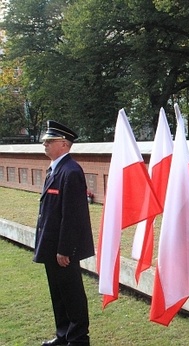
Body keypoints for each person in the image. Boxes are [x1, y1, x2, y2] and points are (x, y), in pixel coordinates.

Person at [34, 121, 95, 346]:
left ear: (63, 144)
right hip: (51, 245)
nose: (44, 144)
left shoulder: (70, 171)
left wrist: (65, 249)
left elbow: (73, 215)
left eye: (49, 141)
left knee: (72, 294)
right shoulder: (56, 169)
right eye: (45, 141)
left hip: (62, 249)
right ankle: (63, 335)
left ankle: (78, 339)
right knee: (58, 294)